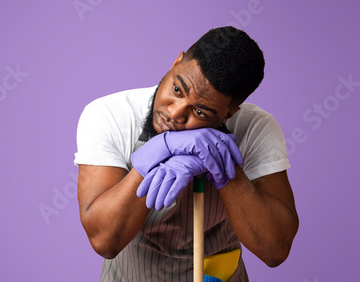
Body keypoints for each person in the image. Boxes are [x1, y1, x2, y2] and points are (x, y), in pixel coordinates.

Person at [74, 26, 299, 281]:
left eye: (201, 112)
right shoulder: (109, 115)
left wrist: (225, 169)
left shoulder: (257, 128)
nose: (175, 113)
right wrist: (153, 157)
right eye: (177, 90)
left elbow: (275, 250)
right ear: (177, 61)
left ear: (229, 114)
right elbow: (105, 241)